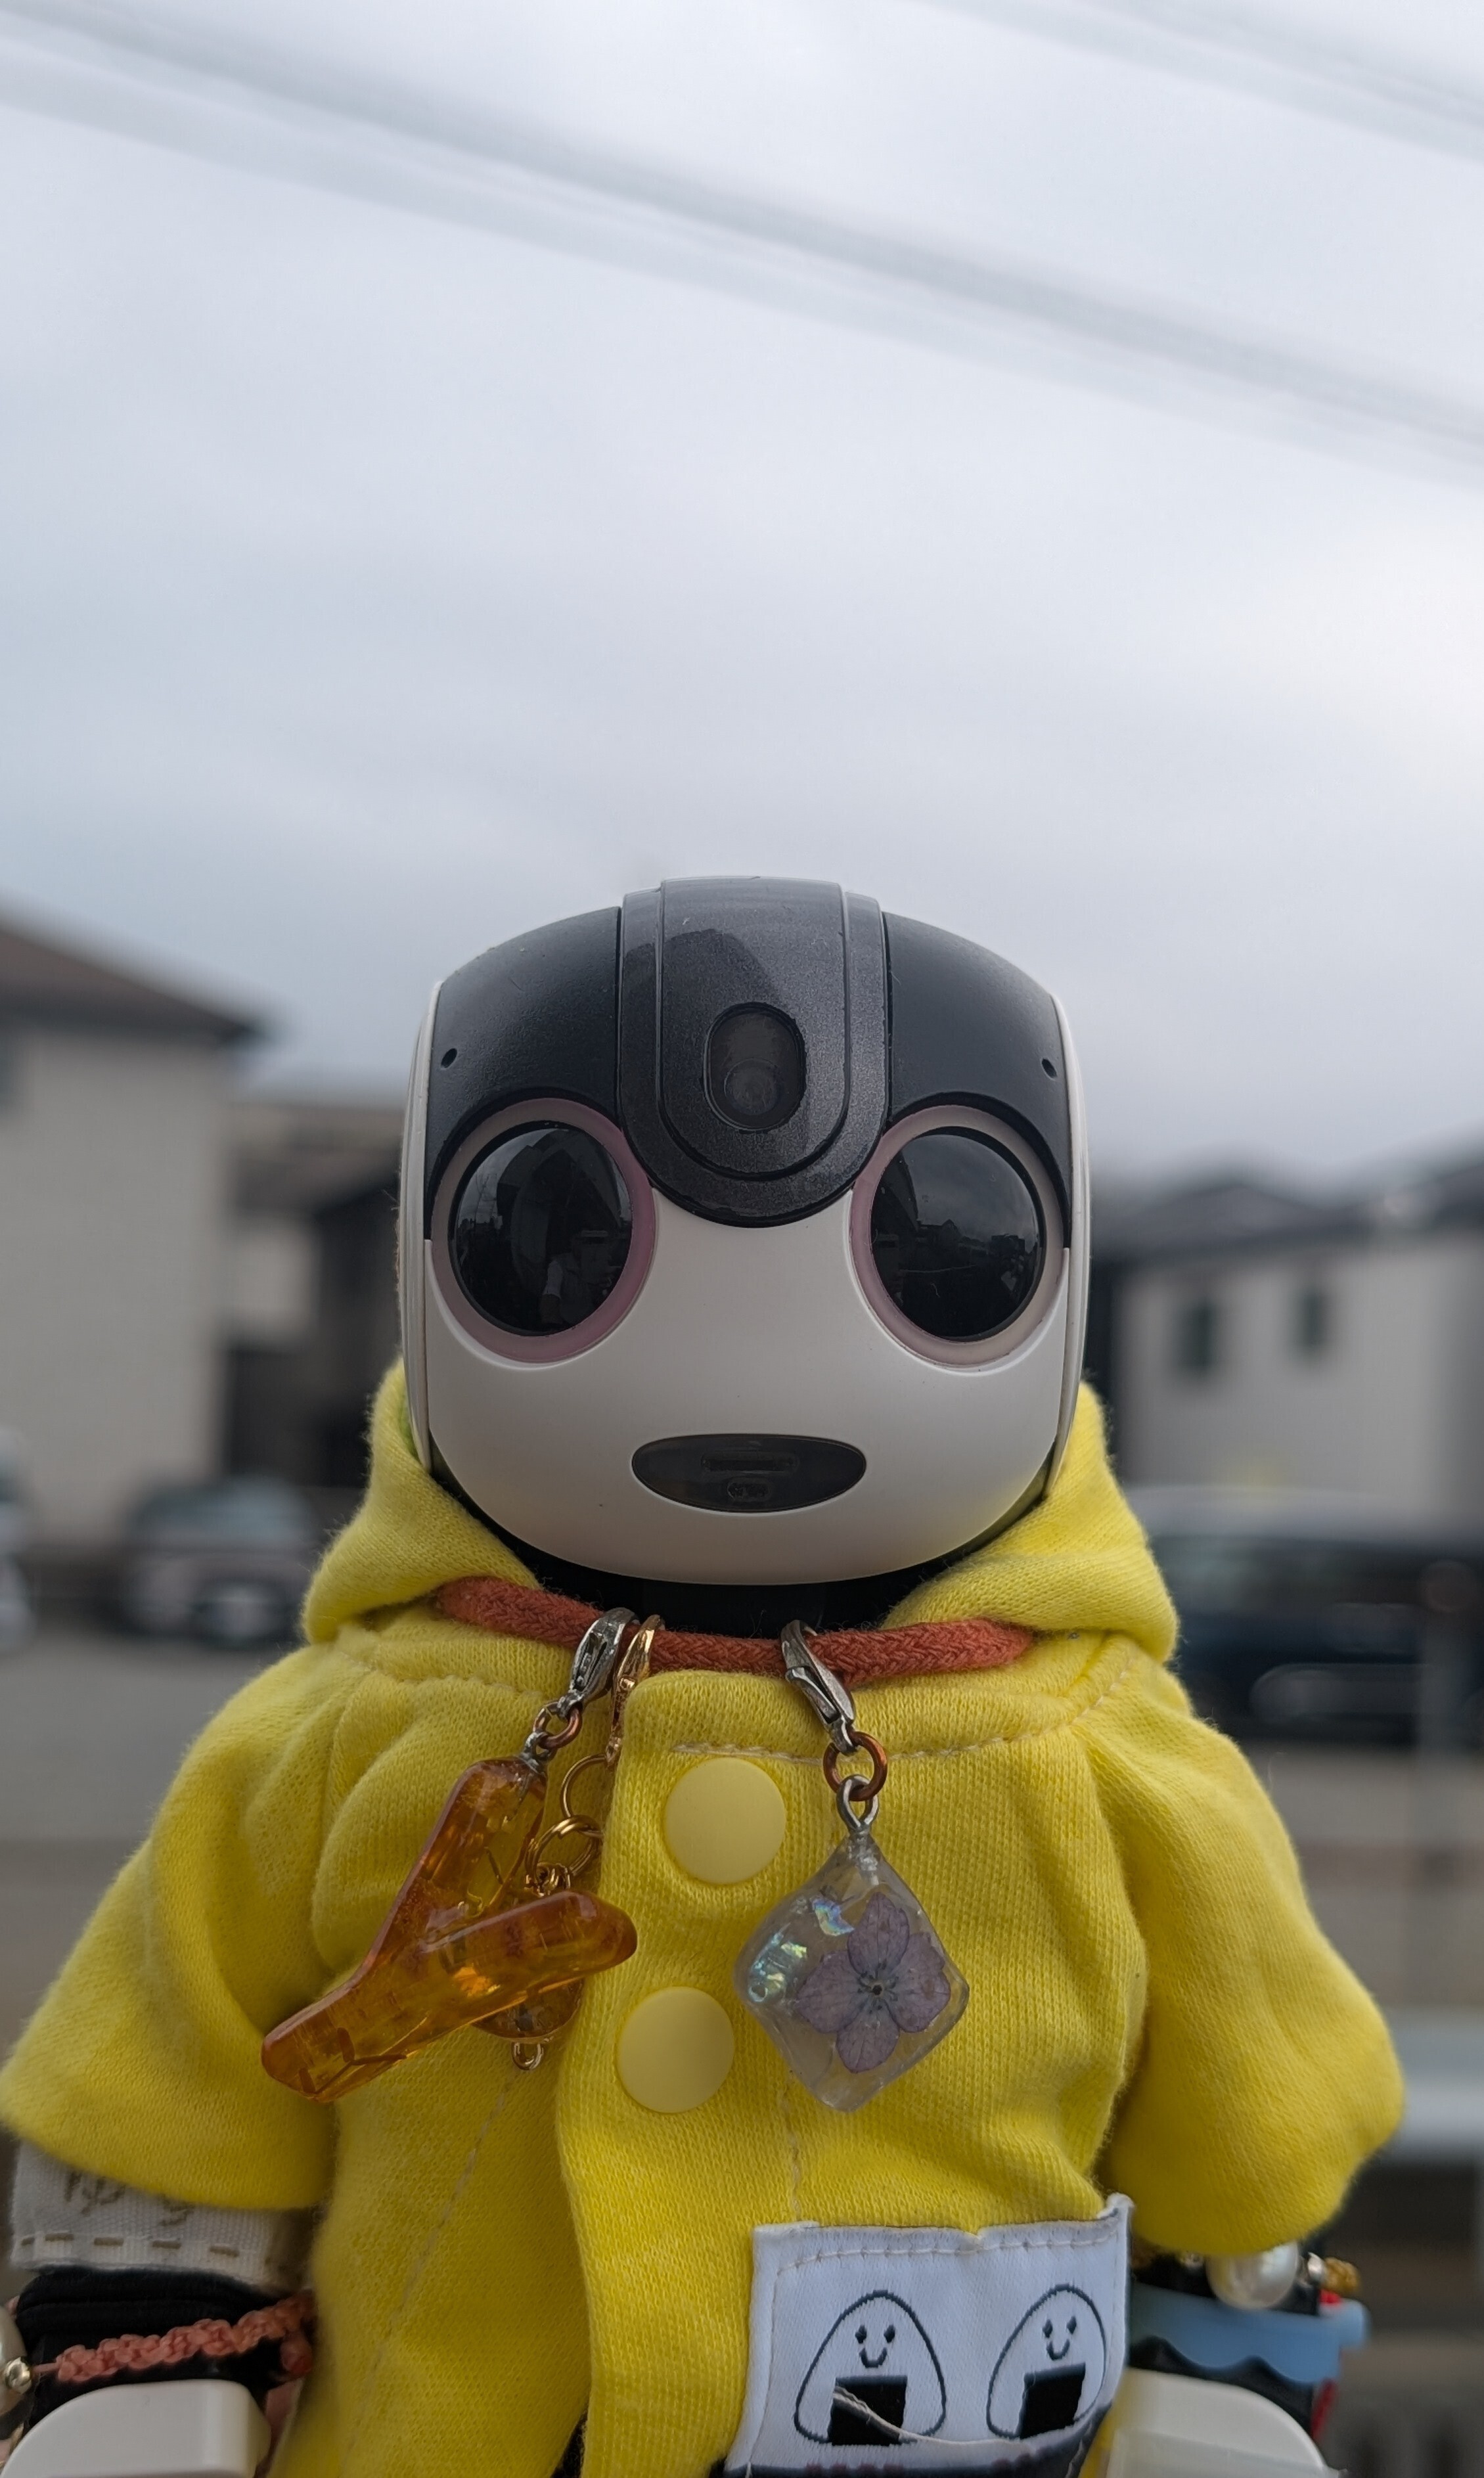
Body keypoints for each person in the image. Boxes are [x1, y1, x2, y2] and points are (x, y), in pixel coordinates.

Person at [0, 881, 1401, 2478]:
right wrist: (142, 2372)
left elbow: (1243, 2177)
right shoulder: (327, 1742)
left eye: (946, 1246)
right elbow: (159, 2115)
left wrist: (1220, 2382)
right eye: (555, 1233)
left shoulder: (1115, 1765)